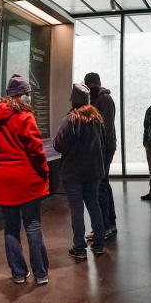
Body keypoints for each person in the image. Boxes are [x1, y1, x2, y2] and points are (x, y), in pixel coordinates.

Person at [0, 74, 49, 285]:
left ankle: (19, 273)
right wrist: (43, 171)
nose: (29, 96)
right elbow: (36, 149)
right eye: (28, 93)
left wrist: (0, 167)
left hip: (4, 180)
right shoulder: (25, 117)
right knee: (32, 225)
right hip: (27, 178)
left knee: (11, 228)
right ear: (22, 95)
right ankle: (40, 274)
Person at [54, 83, 108, 260]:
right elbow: (104, 143)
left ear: (73, 100)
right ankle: (99, 245)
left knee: (77, 211)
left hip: (73, 173)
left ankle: (79, 248)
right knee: (94, 205)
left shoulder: (71, 119)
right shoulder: (97, 119)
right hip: (93, 172)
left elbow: (59, 145)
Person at [84, 72, 117, 239]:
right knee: (103, 184)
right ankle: (109, 223)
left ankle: (105, 226)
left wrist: (98, 147)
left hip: (104, 148)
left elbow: (105, 127)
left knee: (101, 186)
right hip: (104, 147)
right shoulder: (100, 99)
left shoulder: (103, 100)